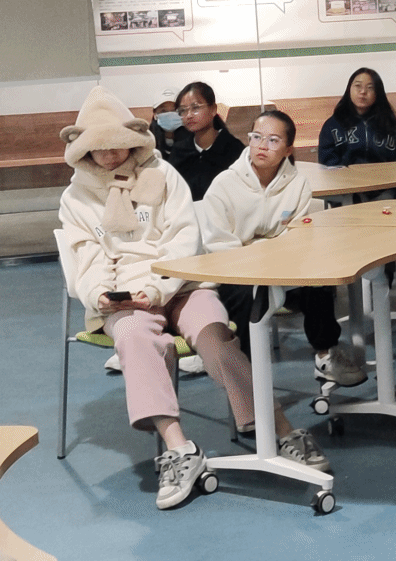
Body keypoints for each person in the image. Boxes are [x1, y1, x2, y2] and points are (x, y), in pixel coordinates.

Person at [55, 86, 325, 510]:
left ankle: (280, 429)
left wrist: (156, 288)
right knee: (134, 338)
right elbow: (83, 255)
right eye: (98, 147)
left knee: (216, 337)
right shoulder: (76, 198)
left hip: (181, 283)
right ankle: (179, 449)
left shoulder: (164, 175)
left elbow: (184, 238)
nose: (108, 155)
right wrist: (100, 294)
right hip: (122, 296)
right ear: (82, 148)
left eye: (116, 144)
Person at [202, 109, 365, 387]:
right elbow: (219, 245)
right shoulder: (224, 185)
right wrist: (264, 251)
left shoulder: (298, 184)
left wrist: (265, 249)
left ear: (288, 149)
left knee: (318, 280)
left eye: (273, 140)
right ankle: (245, 377)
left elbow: (297, 238)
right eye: (256, 137)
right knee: (245, 297)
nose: (262, 146)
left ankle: (325, 354)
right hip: (236, 272)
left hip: (282, 268)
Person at [158, 80, 243, 200]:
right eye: (183, 110)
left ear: (213, 109)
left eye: (196, 108)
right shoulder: (179, 151)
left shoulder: (234, 149)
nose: (189, 115)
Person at [316, 66, 396, 168]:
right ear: (349, 89)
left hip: (384, 177)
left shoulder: (389, 124)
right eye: (358, 86)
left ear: (378, 93)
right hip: (346, 178)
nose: (363, 92)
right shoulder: (333, 125)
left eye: (370, 87)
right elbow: (327, 161)